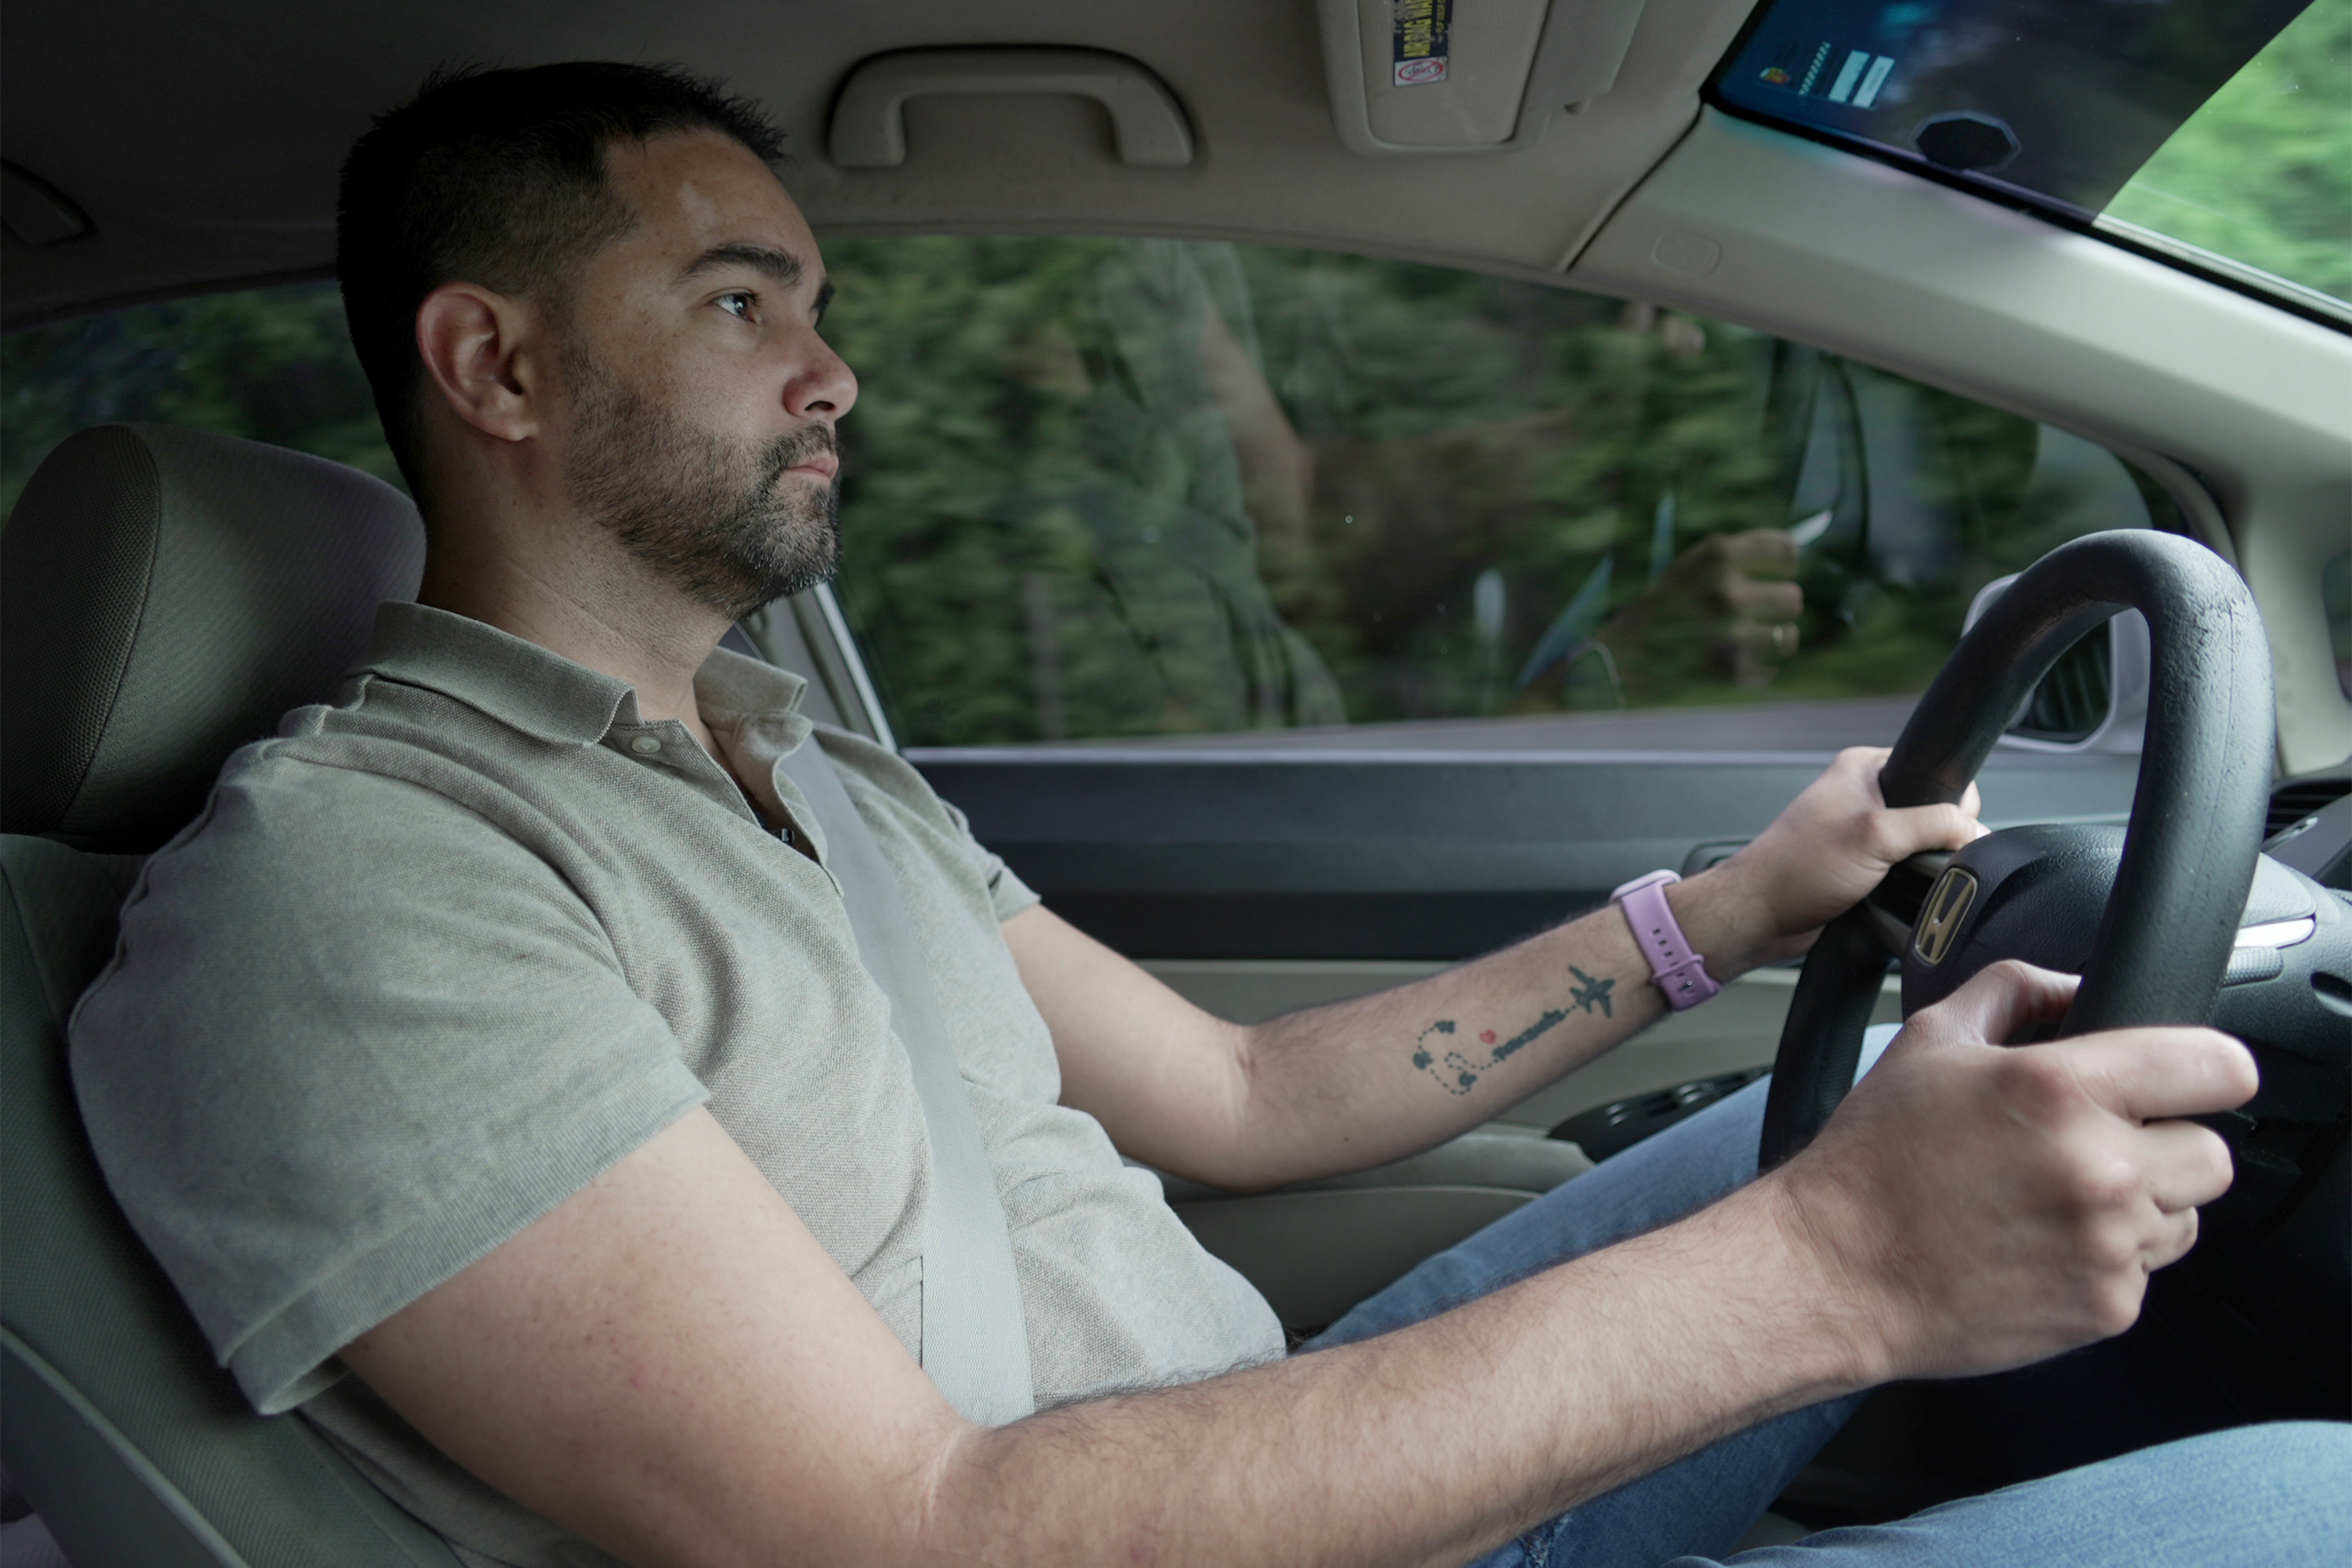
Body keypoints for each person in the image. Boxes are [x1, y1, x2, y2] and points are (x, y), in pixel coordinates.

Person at [68, 61, 2345, 1568]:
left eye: (820, 301)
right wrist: (1844, 1267)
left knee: (1972, 1116)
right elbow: (923, 1532)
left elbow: (1244, 1094)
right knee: (2305, 1504)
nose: (834, 366)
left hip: (1276, 1449)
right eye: (740, 295)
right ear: (498, 367)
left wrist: (1738, 907)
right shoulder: (352, 893)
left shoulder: (806, 767)